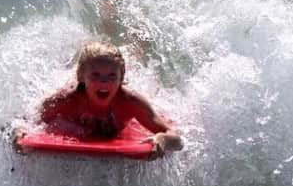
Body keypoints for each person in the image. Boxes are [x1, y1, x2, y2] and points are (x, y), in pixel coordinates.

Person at [14, 40, 183, 158]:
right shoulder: (67, 100)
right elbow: (26, 120)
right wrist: (19, 133)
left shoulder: (130, 103)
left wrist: (162, 140)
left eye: (111, 76)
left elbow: (176, 138)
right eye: (95, 75)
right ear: (81, 76)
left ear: (121, 76)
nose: (104, 81)